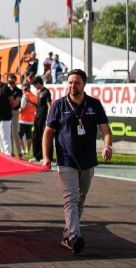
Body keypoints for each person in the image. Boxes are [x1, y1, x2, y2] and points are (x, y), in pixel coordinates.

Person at [42, 69, 113, 255]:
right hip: (66, 160)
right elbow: (48, 132)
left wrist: (107, 146)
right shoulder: (58, 105)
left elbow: (106, 130)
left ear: (84, 84)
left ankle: (67, 235)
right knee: (71, 198)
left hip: (88, 161)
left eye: (77, 83)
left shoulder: (94, 104)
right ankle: (74, 236)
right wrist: (47, 156)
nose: (73, 86)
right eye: (70, 82)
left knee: (81, 198)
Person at [31, 76, 52, 162]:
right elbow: (38, 106)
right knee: (35, 136)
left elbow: (49, 105)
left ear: (39, 83)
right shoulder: (39, 92)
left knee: (44, 137)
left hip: (44, 117)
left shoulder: (46, 92)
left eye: (35, 85)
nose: (34, 87)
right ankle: (37, 156)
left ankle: (47, 156)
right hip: (37, 116)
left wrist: (49, 117)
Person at [7, 74, 24, 158]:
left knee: (15, 133)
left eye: (12, 82)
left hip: (14, 112)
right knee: (8, 133)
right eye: (9, 82)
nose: (11, 84)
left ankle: (20, 153)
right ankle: (11, 153)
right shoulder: (6, 89)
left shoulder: (18, 91)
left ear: (15, 81)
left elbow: (15, 104)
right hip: (6, 112)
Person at [19, 82, 37, 156]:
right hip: (31, 119)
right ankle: (28, 150)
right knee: (29, 136)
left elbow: (22, 107)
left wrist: (18, 111)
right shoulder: (34, 96)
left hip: (22, 119)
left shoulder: (25, 95)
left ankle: (23, 150)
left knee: (20, 135)